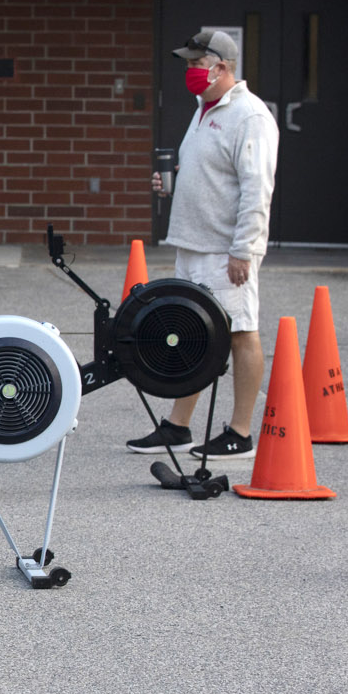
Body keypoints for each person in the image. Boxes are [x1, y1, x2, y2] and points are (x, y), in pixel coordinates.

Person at [127, 30, 278, 461]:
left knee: (241, 333)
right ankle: (178, 426)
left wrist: (243, 250)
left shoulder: (249, 115)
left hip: (224, 249)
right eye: (189, 63)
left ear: (223, 67)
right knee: (193, 335)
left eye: (197, 63)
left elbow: (256, 188)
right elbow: (213, 174)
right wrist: (172, 182)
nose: (190, 71)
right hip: (193, 244)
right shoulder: (204, 109)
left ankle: (240, 432)